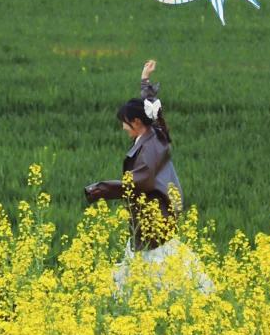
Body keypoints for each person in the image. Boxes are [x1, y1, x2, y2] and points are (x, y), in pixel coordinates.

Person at [84, 59, 210, 294]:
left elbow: (141, 180)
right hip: (155, 212)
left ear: (135, 122)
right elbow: (153, 109)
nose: (122, 128)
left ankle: (156, 297)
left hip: (153, 214)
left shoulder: (150, 147)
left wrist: (101, 189)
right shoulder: (155, 131)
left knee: (153, 265)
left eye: (124, 123)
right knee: (150, 259)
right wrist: (145, 80)